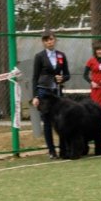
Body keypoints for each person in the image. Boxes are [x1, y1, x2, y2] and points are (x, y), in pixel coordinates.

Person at [31, 31, 70, 159]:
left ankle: (63, 148)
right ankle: (51, 150)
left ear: (55, 40)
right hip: (44, 92)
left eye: (51, 39)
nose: (49, 42)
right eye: (46, 40)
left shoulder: (61, 55)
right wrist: (35, 96)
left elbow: (67, 74)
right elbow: (35, 77)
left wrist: (62, 78)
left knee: (61, 121)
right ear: (43, 42)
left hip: (57, 92)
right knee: (47, 121)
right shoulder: (39, 56)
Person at [83, 43, 101, 112]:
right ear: (95, 51)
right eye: (98, 50)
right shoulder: (91, 61)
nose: (100, 51)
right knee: (95, 108)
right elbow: (85, 75)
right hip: (96, 88)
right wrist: (91, 82)